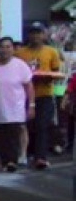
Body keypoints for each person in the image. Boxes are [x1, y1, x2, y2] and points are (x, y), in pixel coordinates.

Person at [0, 37, 33, 172]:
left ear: (13, 49)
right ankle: (4, 160)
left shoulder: (20, 65)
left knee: (13, 133)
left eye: (8, 47)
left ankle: (12, 161)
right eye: (2, 47)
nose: (5, 50)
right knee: (0, 135)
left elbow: (29, 86)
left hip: (15, 106)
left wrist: (32, 105)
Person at [19, 26, 61, 165]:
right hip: (24, 95)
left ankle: (41, 157)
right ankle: (27, 154)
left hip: (44, 94)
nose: (35, 36)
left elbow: (56, 72)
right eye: (32, 33)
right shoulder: (20, 53)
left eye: (38, 33)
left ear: (44, 35)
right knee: (26, 126)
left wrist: (48, 78)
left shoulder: (51, 52)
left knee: (42, 125)